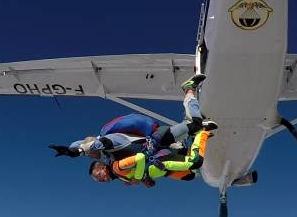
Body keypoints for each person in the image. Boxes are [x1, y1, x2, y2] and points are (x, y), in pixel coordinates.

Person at [49, 74, 214, 164]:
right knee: (185, 152)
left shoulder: (108, 142)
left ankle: (189, 91)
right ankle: (196, 130)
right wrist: (73, 149)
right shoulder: (109, 157)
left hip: (157, 138)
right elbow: (86, 145)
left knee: (195, 124)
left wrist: (76, 151)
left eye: (88, 153)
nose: (89, 156)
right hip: (156, 144)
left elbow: (96, 144)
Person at [89, 127, 212, 187]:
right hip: (165, 171)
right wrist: (145, 180)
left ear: (103, 168)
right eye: (98, 180)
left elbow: (140, 158)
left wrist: (137, 178)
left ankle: (201, 132)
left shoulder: (117, 167)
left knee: (195, 162)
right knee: (189, 176)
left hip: (162, 163)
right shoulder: (121, 177)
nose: (100, 179)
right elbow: (140, 170)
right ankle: (190, 144)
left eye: (98, 175)